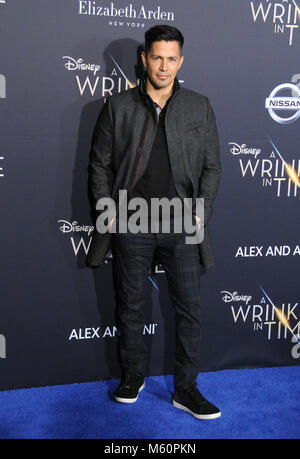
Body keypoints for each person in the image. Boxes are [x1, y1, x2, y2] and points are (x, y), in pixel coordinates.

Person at [87, 25, 222, 420]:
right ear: (145, 58)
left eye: (171, 58)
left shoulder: (199, 106)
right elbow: (98, 166)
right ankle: (132, 377)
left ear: (181, 61)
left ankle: (186, 389)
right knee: (130, 305)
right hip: (132, 220)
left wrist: (202, 210)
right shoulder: (118, 107)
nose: (164, 66)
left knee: (190, 309)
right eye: (157, 57)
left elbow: (213, 168)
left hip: (182, 222)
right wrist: (108, 210)